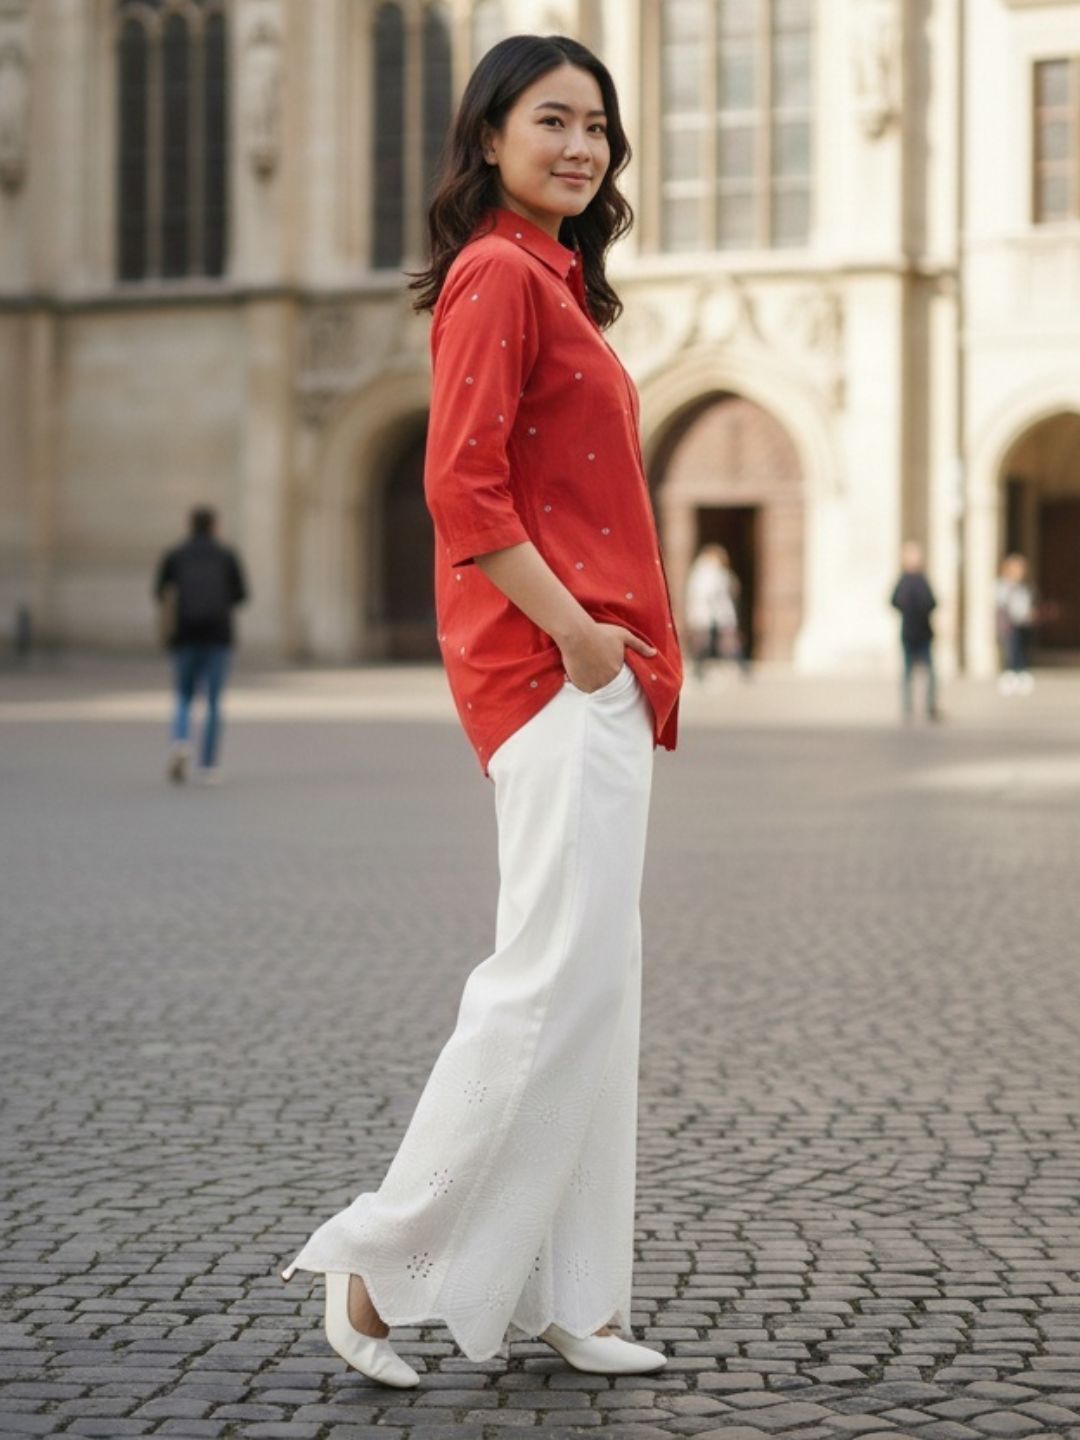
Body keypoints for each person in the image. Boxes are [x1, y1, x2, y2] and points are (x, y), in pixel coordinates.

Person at [280, 34, 682, 1387]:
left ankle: (579, 1299)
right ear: (492, 136)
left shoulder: (557, 284)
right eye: (552, 121)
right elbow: (463, 492)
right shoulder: (499, 274)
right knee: (541, 986)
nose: (581, 146)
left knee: (596, 993)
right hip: (558, 671)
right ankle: (377, 1265)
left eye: (599, 128)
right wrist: (576, 637)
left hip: (601, 674)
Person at [153, 506, 248, 783]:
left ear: (189, 525)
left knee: (183, 695)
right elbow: (241, 594)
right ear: (214, 526)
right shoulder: (226, 555)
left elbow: (159, 591)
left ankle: (180, 741)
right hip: (218, 636)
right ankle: (208, 765)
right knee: (214, 701)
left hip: (185, 634)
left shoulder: (175, 554)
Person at [890, 540, 940, 721]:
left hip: (924, 633)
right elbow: (893, 601)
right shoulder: (903, 580)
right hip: (909, 633)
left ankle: (930, 705)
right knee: (907, 672)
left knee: (931, 672)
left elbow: (932, 602)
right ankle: (907, 706)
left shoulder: (922, 579)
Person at [685, 543, 748, 681]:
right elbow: (711, 594)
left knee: (723, 642)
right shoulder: (707, 572)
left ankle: (741, 668)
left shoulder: (711, 572)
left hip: (713, 614)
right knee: (707, 643)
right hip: (710, 614)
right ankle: (699, 671)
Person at [996, 553, 1036, 695]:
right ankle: (1011, 677)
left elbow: (1026, 603)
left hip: (1023, 624)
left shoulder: (1024, 587)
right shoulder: (1004, 586)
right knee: (1012, 651)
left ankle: (1021, 676)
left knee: (1021, 651)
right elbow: (1001, 603)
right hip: (1010, 625)